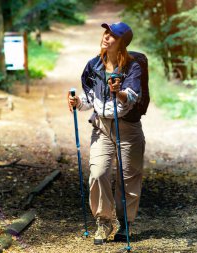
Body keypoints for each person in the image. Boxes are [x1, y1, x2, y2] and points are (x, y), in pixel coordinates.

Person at [68, 22, 145, 245]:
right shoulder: (93, 66)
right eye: (106, 33)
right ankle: (103, 221)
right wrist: (77, 102)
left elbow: (131, 98)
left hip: (128, 129)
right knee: (98, 173)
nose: (106, 37)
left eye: (113, 36)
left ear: (122, 42)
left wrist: (118, 92)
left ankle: (125, 223)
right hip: (101, 127)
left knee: (128, 177)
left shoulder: (132, 67)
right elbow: (90, 99)